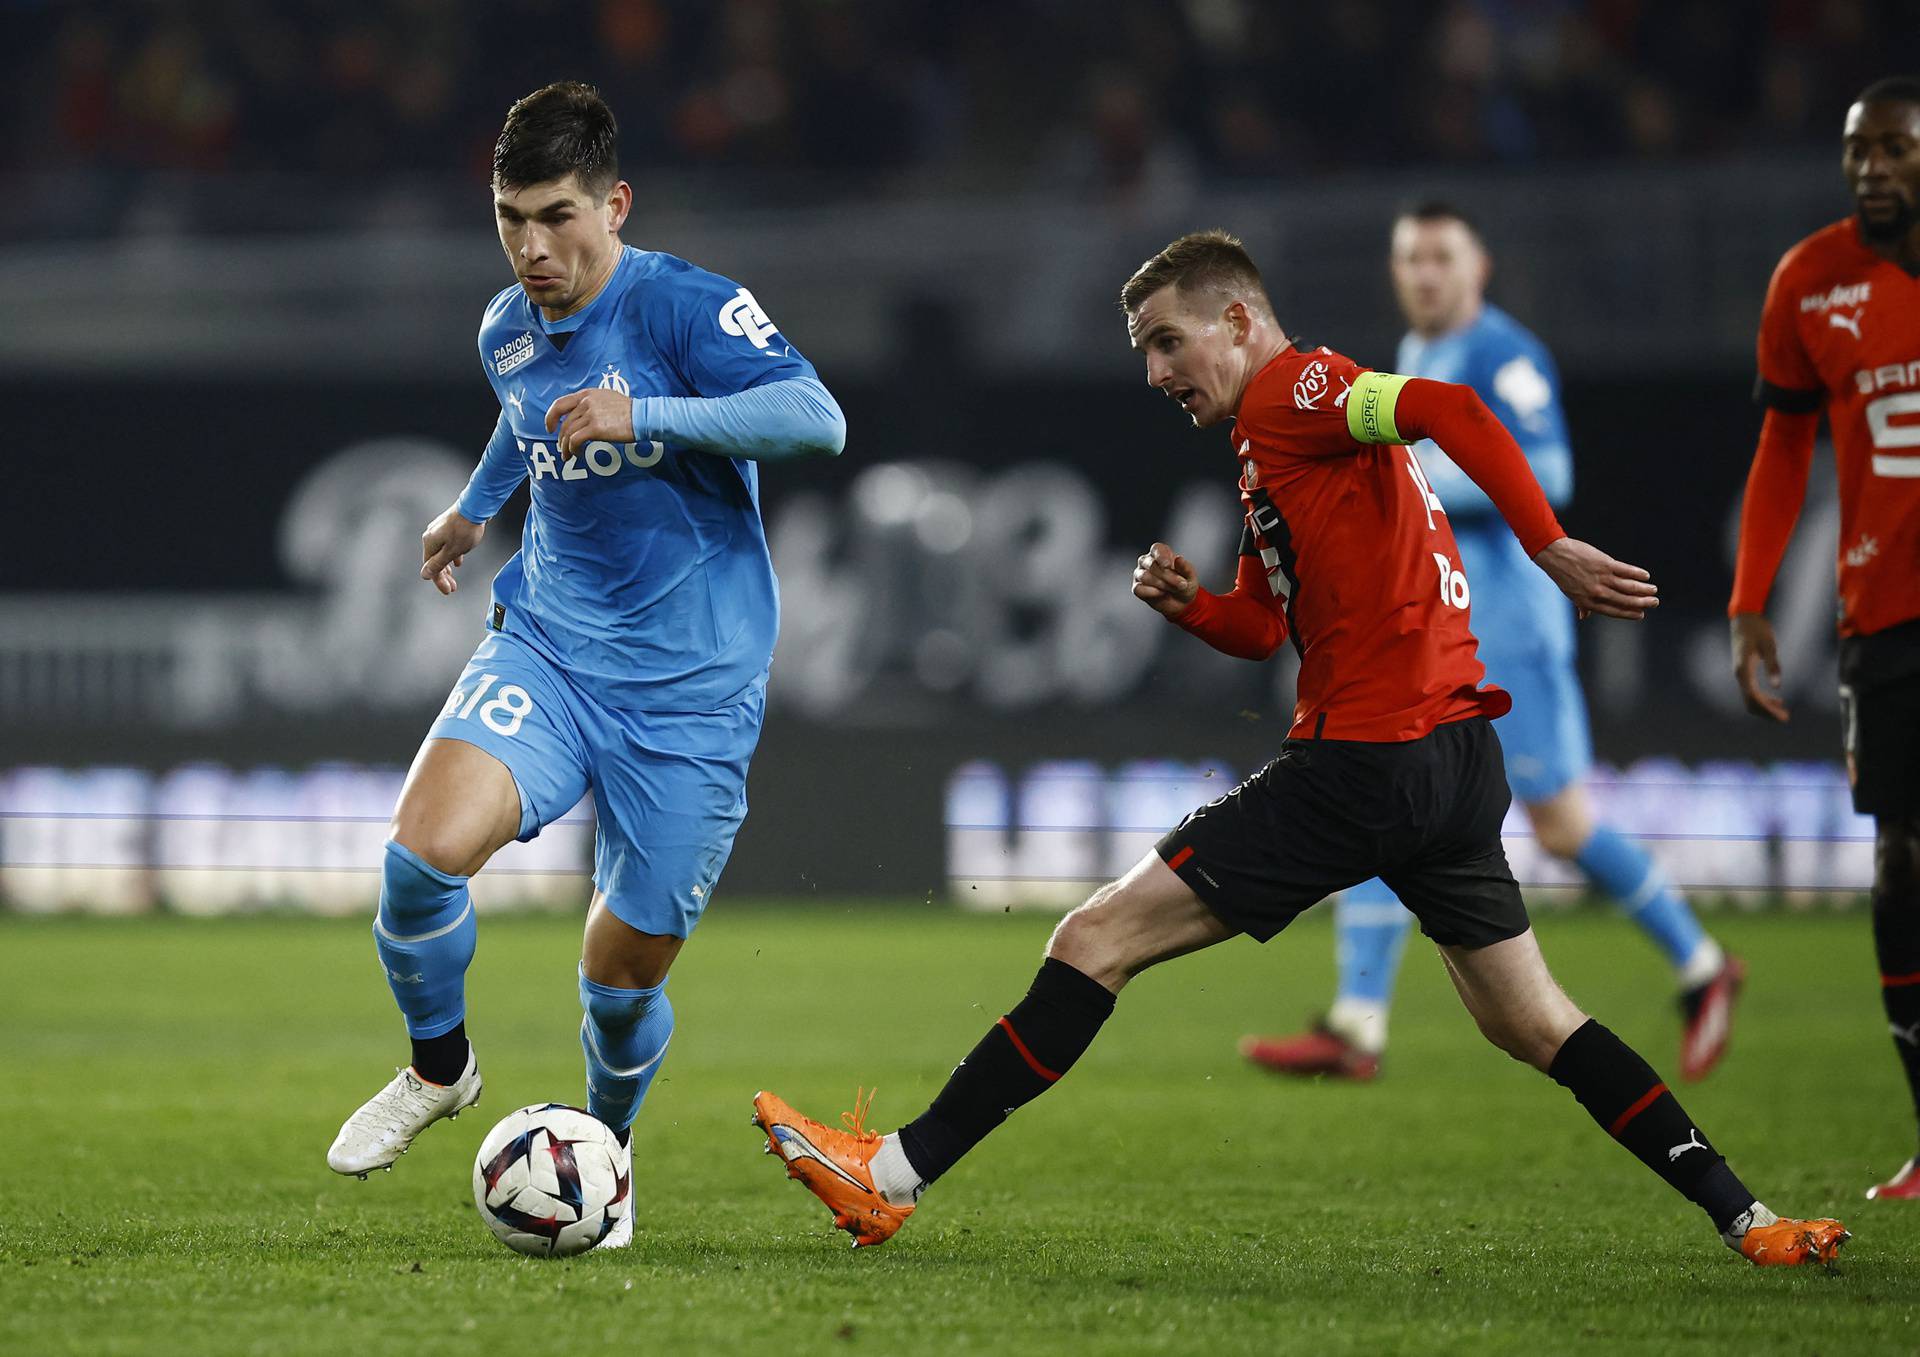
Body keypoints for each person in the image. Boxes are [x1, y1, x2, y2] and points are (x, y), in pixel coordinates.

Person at [751, 230, 1846, 1267]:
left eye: (1168, 342)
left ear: (1237, 319)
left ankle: (891, 1171)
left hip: (1367, 760)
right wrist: (1193, 607)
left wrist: (1547, 544)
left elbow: (1449, 405)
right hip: (1456, 761)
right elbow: (1264, 628)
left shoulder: (1299, 389)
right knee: (1534, 1020)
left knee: (1096, 936)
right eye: (1143, 352)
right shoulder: (1269, 444)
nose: (1153, 372)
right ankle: (1746, 1216)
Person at [324, 81, 845, 1250]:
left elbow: (817, 416)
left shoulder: (686, 308)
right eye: (511, 217)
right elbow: (526, 415)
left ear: (615, 202)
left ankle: (602, 1159)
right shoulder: (503, 323)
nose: (533, 245)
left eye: (558, 215)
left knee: (618, 990)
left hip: (691, 700)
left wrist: (646, 414)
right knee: (418, 864)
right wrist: (471, 512)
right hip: (551, 652)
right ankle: (439, 1068)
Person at [1242, 204, 1741, 1084]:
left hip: (1514, 629)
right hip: (1446, 630)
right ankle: (1357, 1022)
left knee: (1561, 822)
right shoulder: (1418, 354)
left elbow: (1549, 471)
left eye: (1441, 257)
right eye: (1410, 258)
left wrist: (1410, 468)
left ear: (1480, 268)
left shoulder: (1502, 353)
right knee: (1378, 788)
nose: (1425, 273)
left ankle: (1702, 966)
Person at [1730, 75, 1920, 1203]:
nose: (1871, 169)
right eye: (1858, 152)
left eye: (1894, 149)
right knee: (1900, 862)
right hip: (1884, 618)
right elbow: (1781, 449)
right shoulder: (1810, 280)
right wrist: (1753, 597)